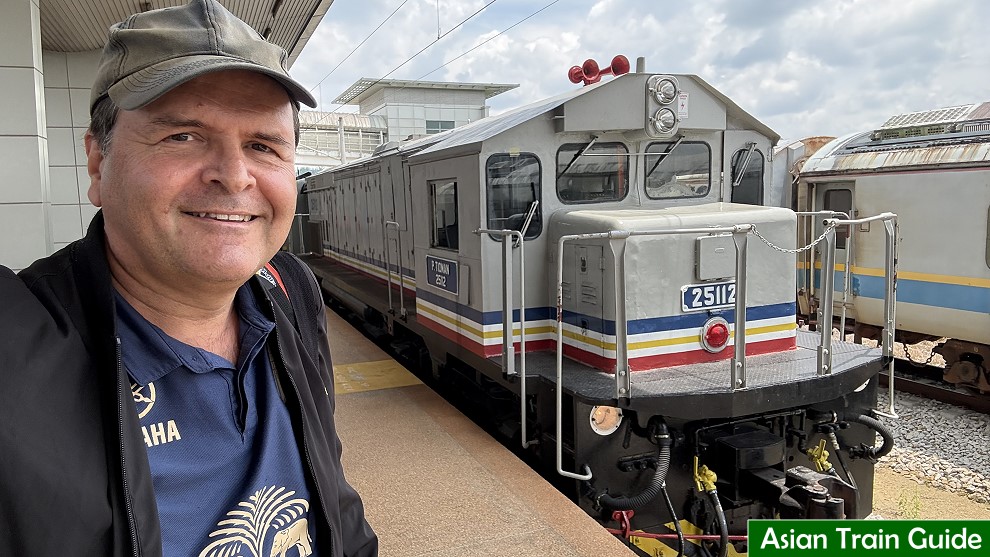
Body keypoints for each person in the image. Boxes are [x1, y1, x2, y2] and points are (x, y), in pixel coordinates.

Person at [0, 1, 378, 556]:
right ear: (98, 163)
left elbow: (336, 505)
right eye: (183, 136)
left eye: (263, 145)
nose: (234, 176)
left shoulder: (290, 290)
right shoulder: (14, 348)